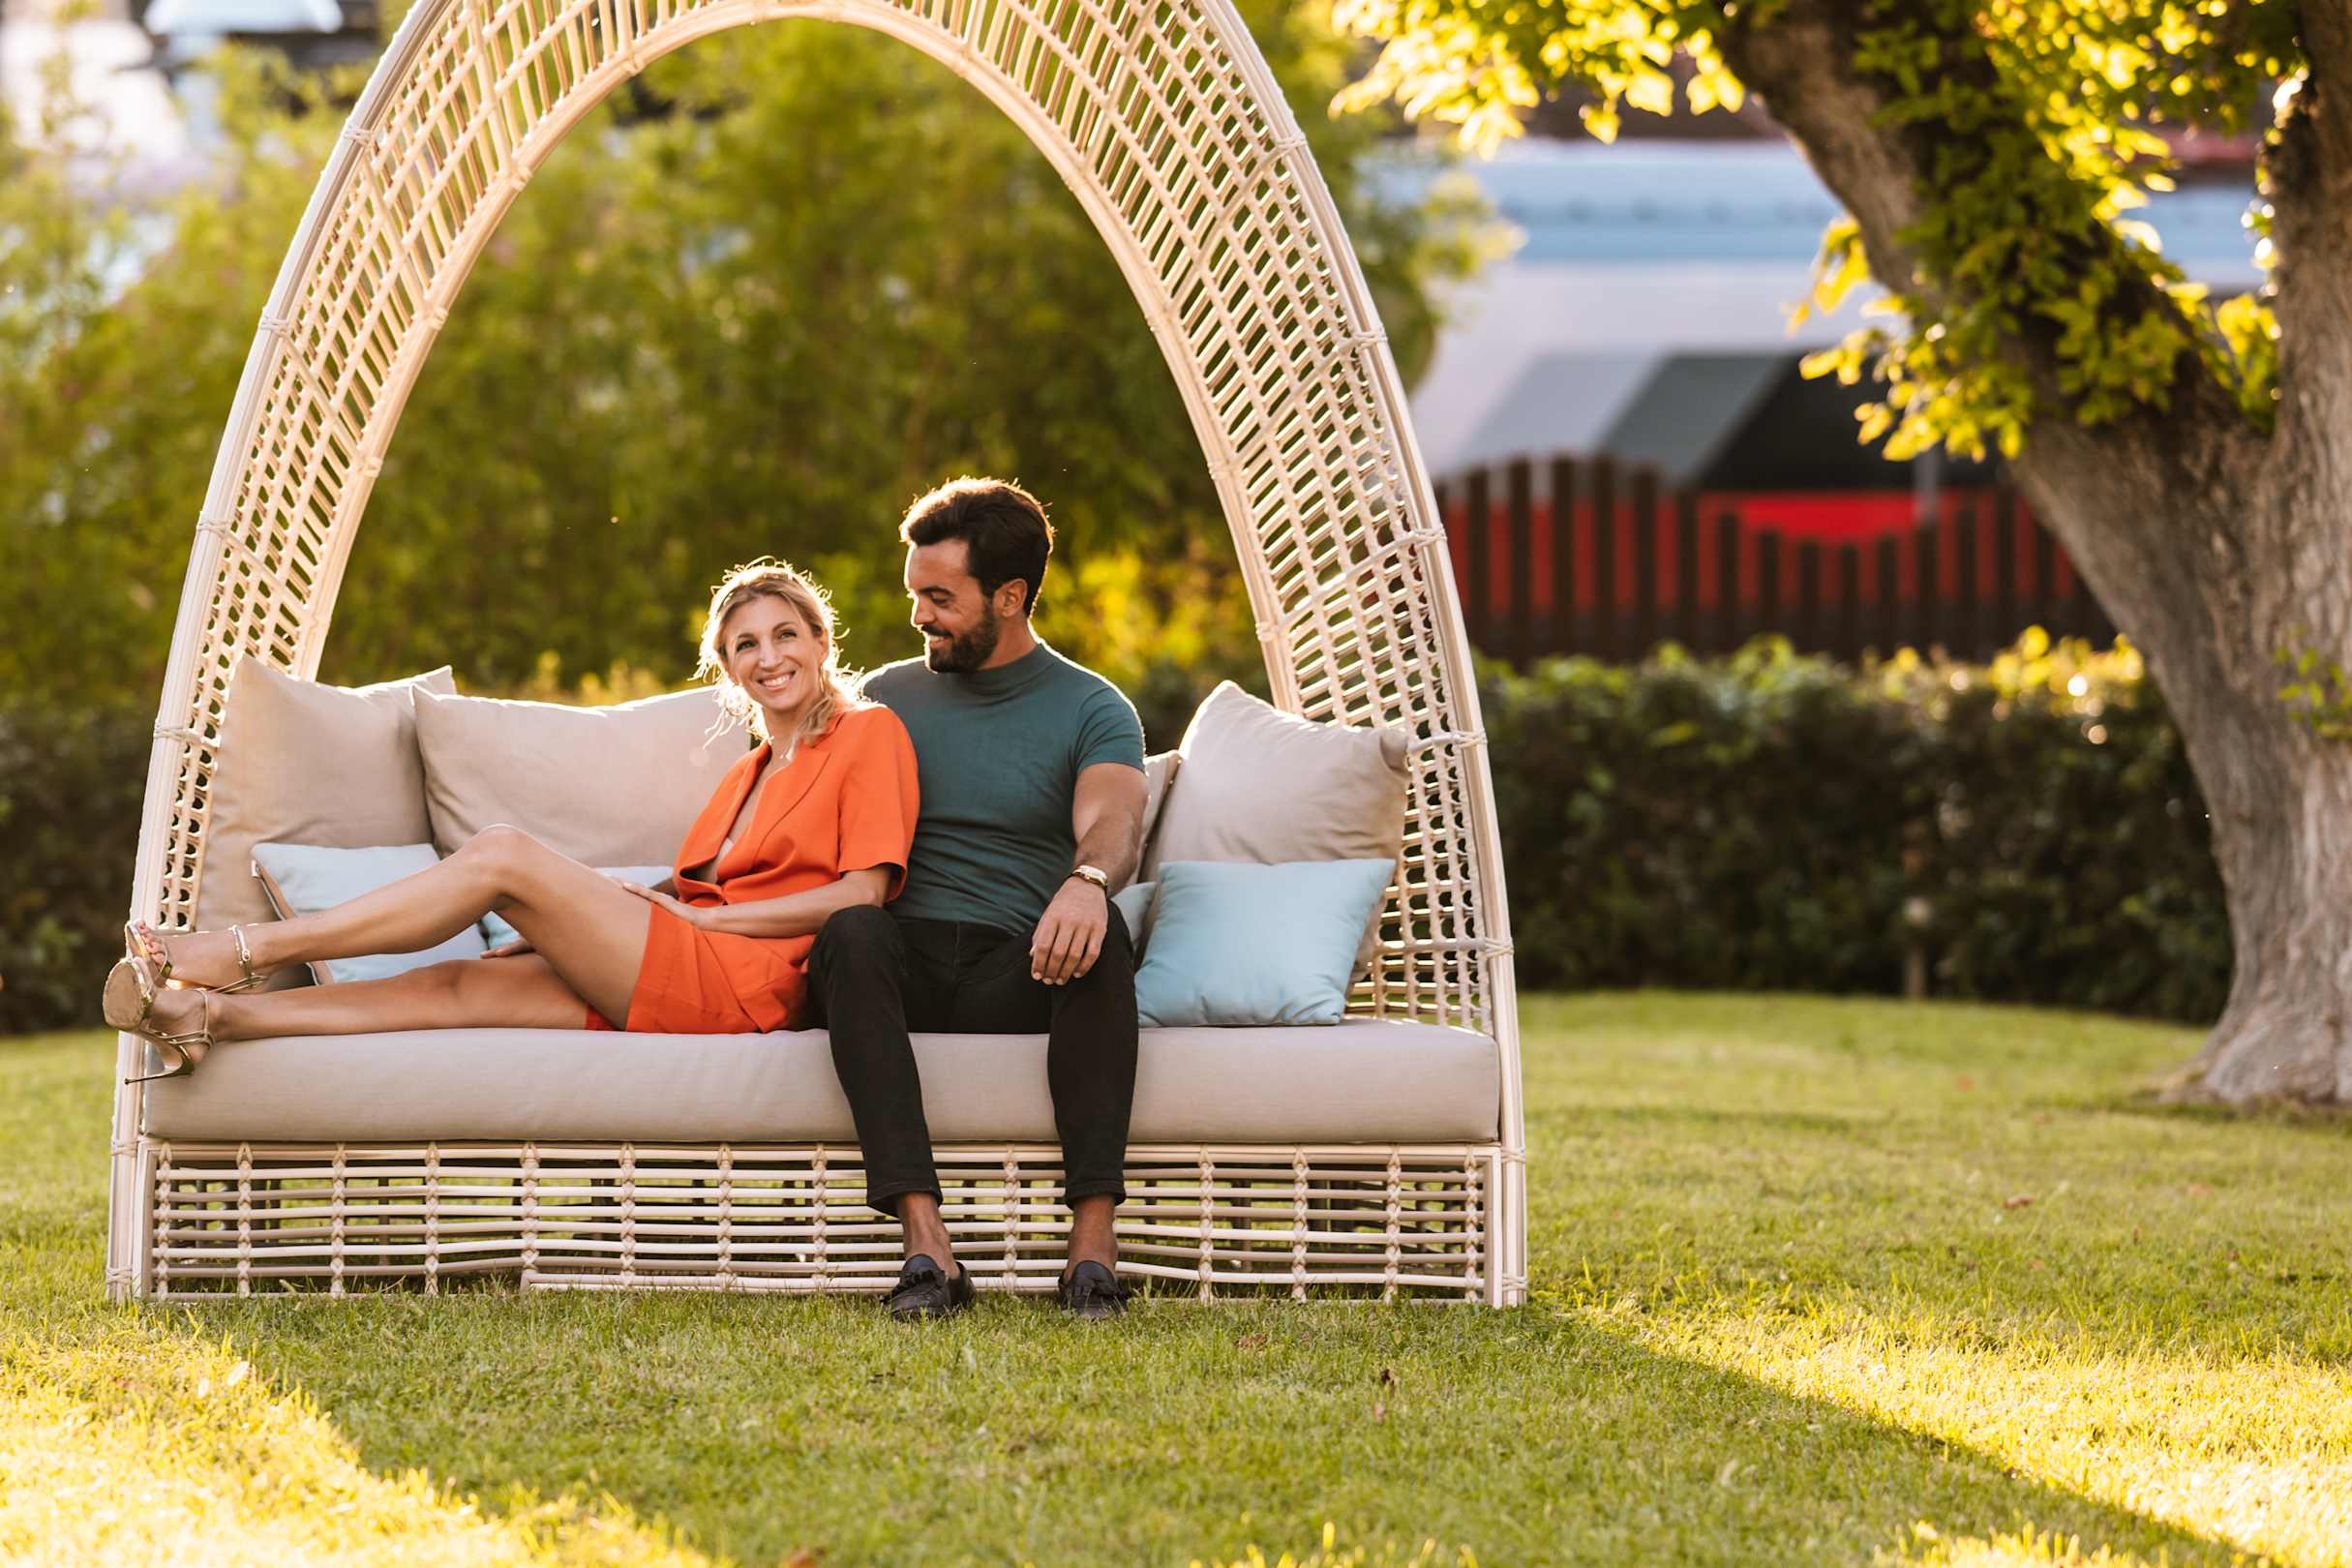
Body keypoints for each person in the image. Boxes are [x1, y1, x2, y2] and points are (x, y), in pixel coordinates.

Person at [103, 559, 918, 1073]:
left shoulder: (866, 733)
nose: (769, 657)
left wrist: (703, 923)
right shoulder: (748, 770)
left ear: (821, 642)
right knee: (456, 986)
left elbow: (862, 895)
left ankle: (239, 951)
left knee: (501, 855)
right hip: (680, 954)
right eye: (745, 645)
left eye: (785, 635)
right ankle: (210, 1016)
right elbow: (693, 887)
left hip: (749, 981)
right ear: (728, 668)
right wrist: (568, 923)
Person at [807, 476, 1147, 1323]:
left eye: (940, 599)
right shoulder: (880, 700)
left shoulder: (1091, 706)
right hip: (899, 963)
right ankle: (928, 1249)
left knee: (1105, 933)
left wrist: (1087, 883)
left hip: (1021, 966)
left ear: (1010, 596)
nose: (919, 616)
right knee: (850, 931)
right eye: (914, 594)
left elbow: (1113, 820)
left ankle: (1092, 1256)